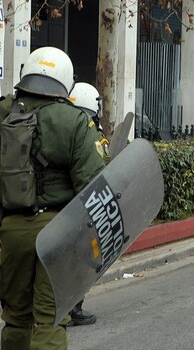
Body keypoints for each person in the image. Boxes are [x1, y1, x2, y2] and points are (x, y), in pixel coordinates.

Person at [0, 47, 105, 349]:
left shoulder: (5, 112)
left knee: (17, 317)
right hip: (57, 232)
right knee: (49, 318)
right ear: (63, 81)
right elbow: (93, 186)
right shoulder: (74, 121)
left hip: (12, 231)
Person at [66, 81, 110, 327]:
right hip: (83, 205)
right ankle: (73, 307)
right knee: (82, 259)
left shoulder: (66, 125)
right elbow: (102, 163)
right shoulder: (90, 130)